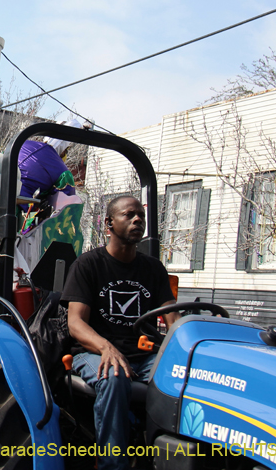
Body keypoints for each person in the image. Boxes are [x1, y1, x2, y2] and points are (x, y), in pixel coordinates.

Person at [61, 196, 178, 470]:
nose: (138, 219)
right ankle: (112, 465)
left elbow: (174, 319)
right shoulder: (88, 265)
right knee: (114, 374)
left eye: (141, 215)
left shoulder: (154, 269)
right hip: (93, 352)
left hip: (143, 355)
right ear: (109, 224)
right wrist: (106, 348)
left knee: (184, 377)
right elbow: (76, 323)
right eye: (129, 215)